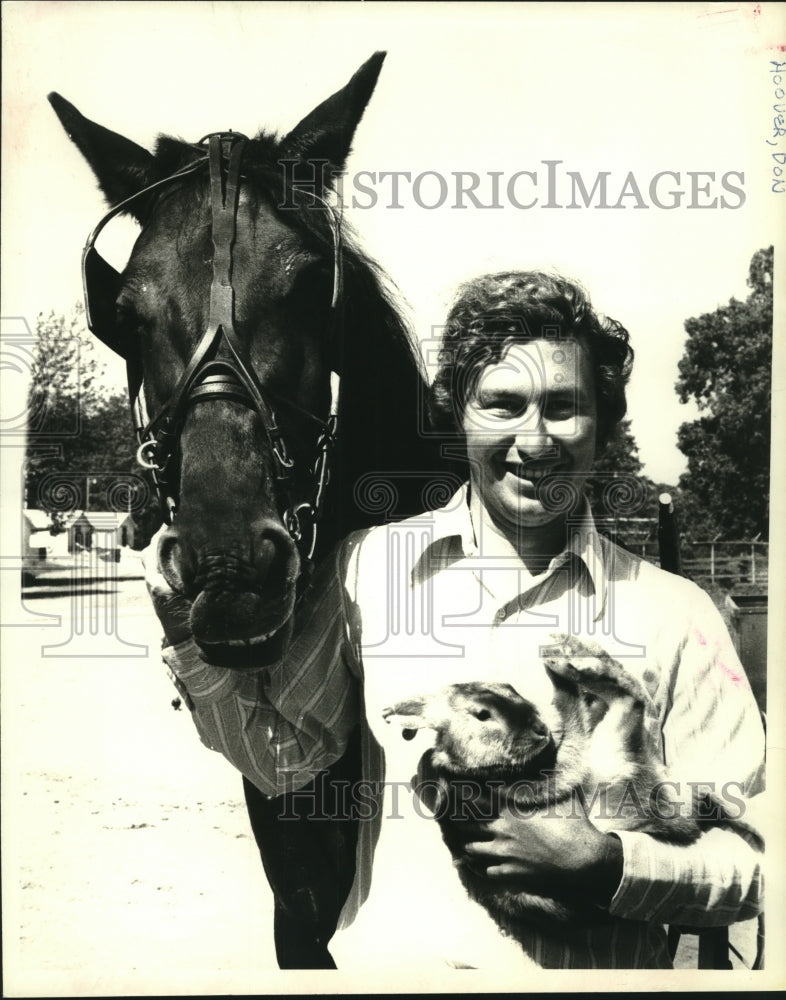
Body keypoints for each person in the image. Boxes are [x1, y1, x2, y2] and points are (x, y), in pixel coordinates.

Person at [147, 270, 764, 970]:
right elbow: (285, 765)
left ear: (604, 418)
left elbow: (754, 862)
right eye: (503, 405)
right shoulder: (368, 568)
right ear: (457, 413)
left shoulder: (678, 614)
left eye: (564, 407)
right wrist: (185, 635)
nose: (535, 442)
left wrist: (604, 863)